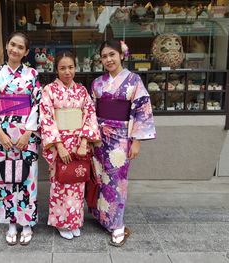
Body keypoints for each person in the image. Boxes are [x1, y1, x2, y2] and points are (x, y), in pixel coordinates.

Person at [90, 40, 156, 247]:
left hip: (120, 137)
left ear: (121, 55)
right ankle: (103, 218)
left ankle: (117, 224)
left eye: (112, 55)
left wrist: (136, 141)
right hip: (99, 136)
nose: (108, 59)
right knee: (100, 177)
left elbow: (141, 110)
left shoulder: (134, 80)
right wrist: (90, 137)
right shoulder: (97, 83)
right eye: (104, 56)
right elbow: (91, 111)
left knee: (118, 181)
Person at [0, 32, 41, 246]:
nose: (14, 50)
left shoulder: (32, 74)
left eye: (20, 47)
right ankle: (11, 223)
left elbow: (37, 104)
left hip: (26, 134)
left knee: (28, 178)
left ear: (26, 52)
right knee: (7, 178)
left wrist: (28, 132)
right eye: (12, 45)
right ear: (7, 46)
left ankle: (26, 223)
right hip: (4, 134)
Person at [40, 51, 101, 240]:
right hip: (59, 143)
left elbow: (90, 115)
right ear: (56, 70)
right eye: (62, 68)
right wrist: (59, 146)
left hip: (78, 143)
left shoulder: (82, 91)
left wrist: (84, 142)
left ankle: (74, 221)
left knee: (77, 182)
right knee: (61, 182)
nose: (67, 72)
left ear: (76, 68)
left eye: (71, 67)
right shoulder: (49, 90)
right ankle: (61, 223)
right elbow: (46, 119)